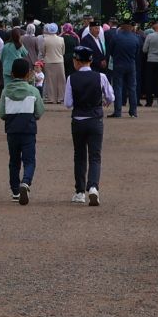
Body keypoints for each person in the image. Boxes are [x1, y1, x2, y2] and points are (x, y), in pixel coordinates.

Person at [64, 46, 111, 205]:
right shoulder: (101, 77)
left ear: (76, 61)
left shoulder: (71, 78)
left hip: (78, 120)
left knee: (79, 155)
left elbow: (68, 103)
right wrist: (105, 101)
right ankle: (93, 187)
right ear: (91, 60)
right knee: (95, 156)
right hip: (95, 119)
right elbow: (111, 96)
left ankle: (79, 192)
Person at [0, 55, 42, 204]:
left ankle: (15, 190)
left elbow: (1, 113)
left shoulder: (6, 91)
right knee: (29, 160)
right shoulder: (33, 91)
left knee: (14, 160)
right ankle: (26, 181)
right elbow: (39, 111)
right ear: (28, 74)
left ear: (12, 74)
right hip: (28, 129)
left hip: (12, 130)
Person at [107, 18, 143, 118]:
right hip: (131, 64)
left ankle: (118, 112)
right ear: (131, 27)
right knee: (132, 88)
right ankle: (133, 111)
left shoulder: (116, 37)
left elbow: (110, 51)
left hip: (118, 64)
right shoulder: (136, 38)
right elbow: (137, 53)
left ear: (122, 26)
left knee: (118, 87)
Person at [39, 22, 67, 104]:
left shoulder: (45, 39)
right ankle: (60, 98)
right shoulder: (61, 39)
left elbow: (43, 51)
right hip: (59, 61)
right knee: (61, 80)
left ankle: (51, 98)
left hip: (48, 62)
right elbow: (63, 51)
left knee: (50, 80)